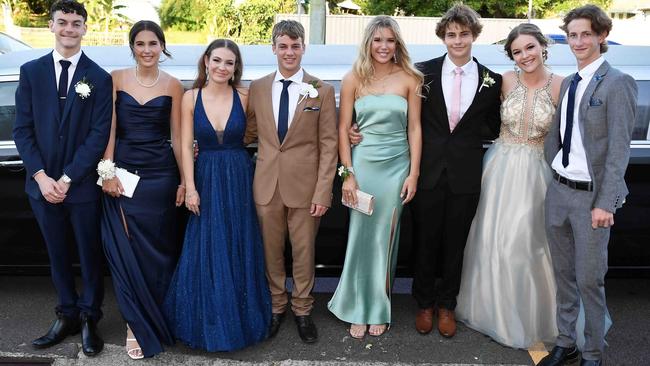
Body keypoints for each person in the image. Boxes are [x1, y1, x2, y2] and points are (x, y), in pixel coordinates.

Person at [538, 5, 637, 366]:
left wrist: (606, 203)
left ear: (601, 36)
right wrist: (553, 169)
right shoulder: (570, 82)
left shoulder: (617, 82)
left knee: (589, 281)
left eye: (586, 34)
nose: (578, 41)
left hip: (591, 200)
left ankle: (593, 353)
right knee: (563, 276)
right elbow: (559, 135)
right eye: (573, 35)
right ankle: (567, 342)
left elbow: (617, 150)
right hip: (559, 192)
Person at [455, 23, 563, 348]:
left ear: (543, 46)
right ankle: (493, 312)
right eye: (517, 51)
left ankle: (532, 317)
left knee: (527, 243)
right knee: (491, 239)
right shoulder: (501, 81)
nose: (525, 56)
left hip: (537, 173)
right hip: (499, 169)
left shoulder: (562, 85)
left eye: (530, 47)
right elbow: (471, 115)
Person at [12, 0, 111, 356]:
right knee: (56, 254)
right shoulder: (31, 71)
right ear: (52, 26)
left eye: (76, 23)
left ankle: (89, 318)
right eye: (63, 22)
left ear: (85, 28)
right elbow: (22, 130)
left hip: (81, 187)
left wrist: (67, 178)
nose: (69, 29)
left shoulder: (99, 78)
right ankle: (65, 313)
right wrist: (41, 176)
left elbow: (98, 135)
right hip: (41, 187)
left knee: (88, 255)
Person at [163, 39, 272, 352]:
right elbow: (183, 145)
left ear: (236, 67)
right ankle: (207, 320)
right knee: (207, 245)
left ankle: (240, 318)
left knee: (239, 242)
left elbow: (268, 130)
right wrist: (190, 186)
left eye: (230, 62)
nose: (223, 68)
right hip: (206, 176)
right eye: (218, 61)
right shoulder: (189, 98)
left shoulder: (246, 96)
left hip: (239, 176)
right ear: (206, 61)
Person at [243, 20, 338, 344]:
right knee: (271, 253)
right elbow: (249, 133)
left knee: (303, 252)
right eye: (283, 46)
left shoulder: (321, 90)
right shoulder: (256, 87)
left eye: (295, 46)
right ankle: (276, 306)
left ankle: (302, 309)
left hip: (306, 187)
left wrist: (323, 191)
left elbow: (329, 145)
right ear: (273, 48)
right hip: (267, 185)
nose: (289, 52)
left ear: (303, 48)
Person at [409, 4, 501, 338]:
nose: (457, 40)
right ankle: (424, 303)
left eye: (464, 34)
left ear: (474, 35)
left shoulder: (493, 81)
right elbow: (407, 119)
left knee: (456, 243)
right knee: (425, 240)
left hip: (466, 174)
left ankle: (448, 304)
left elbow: (494, 125)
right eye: (451, 34)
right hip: (428, 170)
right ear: (443, 37)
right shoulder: (422, 73)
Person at [327, 16, 422, 339]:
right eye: (378, 40)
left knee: (386, 238)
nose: (384, 47)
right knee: (362, 236)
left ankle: (378, 308)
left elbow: (415, 129)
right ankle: (356, 307)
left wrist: (414, 173)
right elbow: (343, 129)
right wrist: (348, 175)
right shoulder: (353, 78)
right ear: (368, 43)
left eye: (390, 40)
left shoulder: (410, 78)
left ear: (398, 45)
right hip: (363, 166)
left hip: (397, 168)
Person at [99, 20, 184, 359]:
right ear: (132, 46)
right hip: (123, 174)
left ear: (162, 47)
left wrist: (183, 181)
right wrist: (107, 172)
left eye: (153, 43)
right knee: (127, 251)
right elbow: (109, 129)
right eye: (140, 43)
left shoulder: (174, 85)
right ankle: (135, 323)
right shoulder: (116, 79)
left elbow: (178, 138)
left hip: (160, 177)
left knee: (158, 253)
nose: (147, 49)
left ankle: (158, 314)